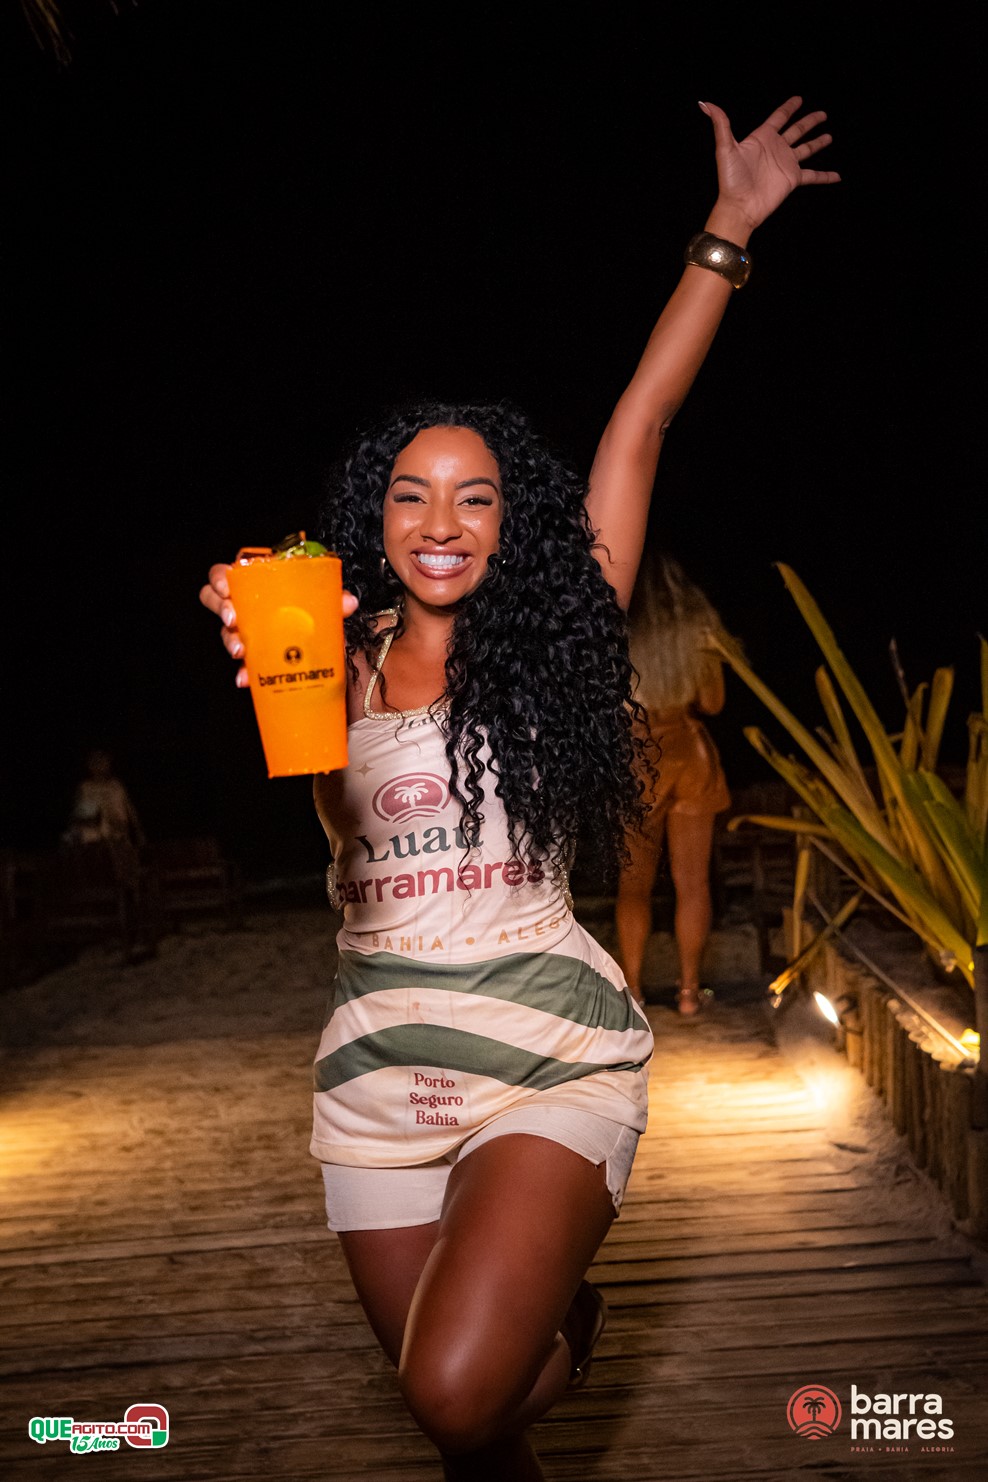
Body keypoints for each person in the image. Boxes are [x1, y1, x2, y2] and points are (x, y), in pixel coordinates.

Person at [200, 96, 837, 1481]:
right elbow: (309, 761)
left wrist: (728, 225)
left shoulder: (553, 645)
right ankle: (550, 1334)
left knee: (451, 1389)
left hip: (547, 1060)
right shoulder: (330, 659)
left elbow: (641, 423)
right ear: (375, 517)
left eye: (476, 496)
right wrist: (258, 638)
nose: (442, 522)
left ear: (511, 522)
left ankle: (566, 1308)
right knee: (480, 1438)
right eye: (413, 495)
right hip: (375, 1075)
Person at [616, 551, 735, 1016]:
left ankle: (634, 992)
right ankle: (689, 993)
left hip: (638, 757)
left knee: (633, 886)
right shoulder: (697, 627)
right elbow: (714, 702)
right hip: (689, 751)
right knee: (693, 883)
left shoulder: (612, 627)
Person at [62, 748, 145, 852]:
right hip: (95, 839)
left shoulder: (116, 786)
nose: (100, 765)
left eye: (103, 761)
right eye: (96, 761)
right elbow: (81, 815)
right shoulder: (87, 788)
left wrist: (138, 831)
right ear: (89, 765)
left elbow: (129, 808)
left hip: (119, 836)